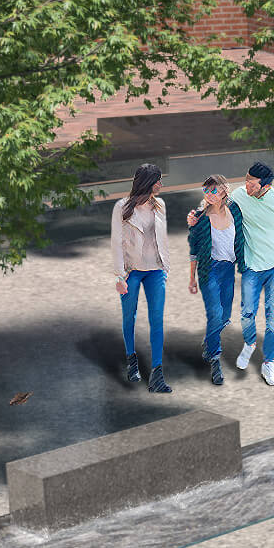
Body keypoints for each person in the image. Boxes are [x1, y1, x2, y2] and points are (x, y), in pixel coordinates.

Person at [189, 162, 274, 387]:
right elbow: (210, 205)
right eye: (246, 179)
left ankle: (268, 362)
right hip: (243, 268)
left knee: (272, 317)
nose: (246, 184)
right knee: (244, 314)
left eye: (252, 182)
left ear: (264, 185)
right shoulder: (239, 196)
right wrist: (195, 217)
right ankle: (242, 347)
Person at [110, 163, 171, 393]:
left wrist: (166, 268)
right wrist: (119, 275)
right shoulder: (122, 207)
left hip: (155, 270)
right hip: (132, 271)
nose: (161, 185)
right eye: (158, 181)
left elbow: (162, 239)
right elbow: (116, 242)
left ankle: (157, 375)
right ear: (148, 182)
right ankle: (131, 359)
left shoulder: (160, 205)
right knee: (129, 317)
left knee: (157, 320)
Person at [185, 174, 246, 386]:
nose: (209, 195)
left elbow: (241, 237)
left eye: (213, 190)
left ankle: (209, 341)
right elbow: (193, 250)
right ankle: (215, 360)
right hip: (208, 270)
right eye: (206, 190)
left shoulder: (235, 211)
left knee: (225, 316)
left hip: (228, 269)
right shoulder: (199, 218)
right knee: (215, 313)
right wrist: (192, 278)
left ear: (223, 191)